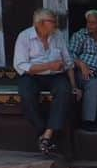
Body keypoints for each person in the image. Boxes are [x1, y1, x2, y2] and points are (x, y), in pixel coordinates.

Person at [13, 8, 78, 154]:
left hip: (55, 75)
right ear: (41, 23)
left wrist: (74, 86)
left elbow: (68, 62)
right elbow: (21, 66)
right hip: (32, 75)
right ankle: (42, 131)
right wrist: (48, 65)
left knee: (65, 90)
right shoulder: (24, 37)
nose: (56, 24)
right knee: (26, 93)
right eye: (52, 21)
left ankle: (47, 134)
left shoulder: (57, 35)